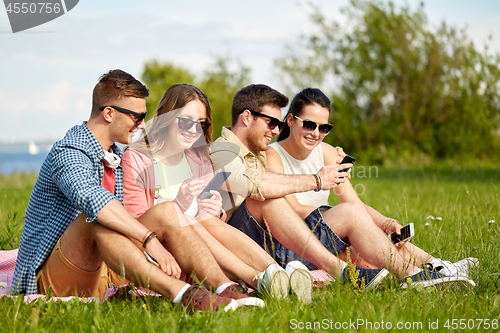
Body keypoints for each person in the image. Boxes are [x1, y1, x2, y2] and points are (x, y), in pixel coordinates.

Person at [11, 70, 264, 313]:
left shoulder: (118, 156)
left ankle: (224, 288)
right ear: (109, 113)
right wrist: (149, 239)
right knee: (95, 219)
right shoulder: (69, 152)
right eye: (136, 117)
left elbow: (141, 214)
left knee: (166, 210)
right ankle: (185, 294)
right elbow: (93, 199)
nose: (143, 126)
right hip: (58, 275)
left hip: (112, 270)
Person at [210, 83, 472, 290]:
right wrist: (317, 181)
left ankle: (431, 267)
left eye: (324, 127)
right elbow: (256, 189)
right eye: (273, 123)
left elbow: (351, 201)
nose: (316, 132)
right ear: (247, 117)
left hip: (287, 233)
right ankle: (408, 274)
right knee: (278, 200)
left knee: (361, 223)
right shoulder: (231, 150)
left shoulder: (259, 150)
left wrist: (382, 222)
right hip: (260, 237)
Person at [121, 84, 313, 303]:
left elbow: (211, 215)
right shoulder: (137, 159)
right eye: (185, 121)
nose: (193, 130)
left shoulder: (199, 158)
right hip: (158, 253)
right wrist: (180, 205)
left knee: (204, 217)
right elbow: (135, 223)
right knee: (183, 215)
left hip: (201, 252)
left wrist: (217, 210)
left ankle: (274, 273)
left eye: (200, 124)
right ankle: (257, 279)